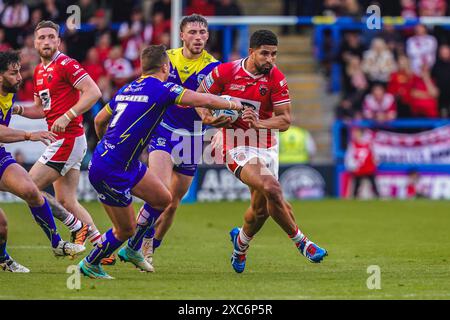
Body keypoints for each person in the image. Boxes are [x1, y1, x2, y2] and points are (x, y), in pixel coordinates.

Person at [78, 44, 242, 279]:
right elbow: (200, 98)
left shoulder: (127, 88)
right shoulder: (163, 89)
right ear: (165, 67)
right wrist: (232, 103)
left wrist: (107, 143)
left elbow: (99, 119)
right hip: (111, 169)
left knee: (163, 199)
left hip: (121, 161)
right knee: (124, 229)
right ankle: (90, 263)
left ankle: (134, 249)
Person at [196, 30, 328, 273]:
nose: (270, 59)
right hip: (235, 142)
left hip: (266, 144)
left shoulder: (276, 78)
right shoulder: (226, 72)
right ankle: (303, 243)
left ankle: (240, 244)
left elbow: (285, 120)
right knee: (272, 188)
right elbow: (199, 97)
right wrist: (208, 119)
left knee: (261, 210)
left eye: (274, 54)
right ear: (251, 52)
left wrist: (259, 123)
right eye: (265, 53)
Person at [127, 14, 225, 271]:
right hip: (164, 131)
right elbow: (146, 88)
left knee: (172, 203)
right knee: (160, 192)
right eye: (192, 32)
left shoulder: (215, 67)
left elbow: (208, 109)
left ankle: (150, 244)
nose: (198, 37)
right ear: (182, 35)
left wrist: (219, 124)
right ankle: (135, 242)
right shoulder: (166, 59)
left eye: (203, 32)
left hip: (193, 137)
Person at [12, 20, 111, 262]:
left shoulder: (66, 64)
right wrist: (17, 109)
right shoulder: (38, 71)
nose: (46, 42)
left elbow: (94, 92)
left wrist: (68, 115)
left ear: (58, 41)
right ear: (34, 43)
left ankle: (76, 226)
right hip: (63, 141)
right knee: (67, 200)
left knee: (29, 187)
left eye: (50, 37)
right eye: (41, 38)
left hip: (68, 139)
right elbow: (40, 109)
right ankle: (102, 248)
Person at [0, 50, 85, 271]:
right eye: (13, 73)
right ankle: (3, 259)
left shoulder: (9, 93)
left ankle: (57, 244)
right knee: (2, 226)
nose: (19, 77)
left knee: (30, 189)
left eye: (19, 71)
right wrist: (30, 135)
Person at [344, 127, 379, 199]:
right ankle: (354, 197)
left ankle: (378, 196)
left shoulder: (368, 143)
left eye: (356, 133)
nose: (355, 135)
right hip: (358, 168)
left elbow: (374, 154)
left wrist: (375, 160)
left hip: (368, 167)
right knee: (357, 184)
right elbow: (349, 156)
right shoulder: (353, 144)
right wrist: (351, 166)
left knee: (373, 183)